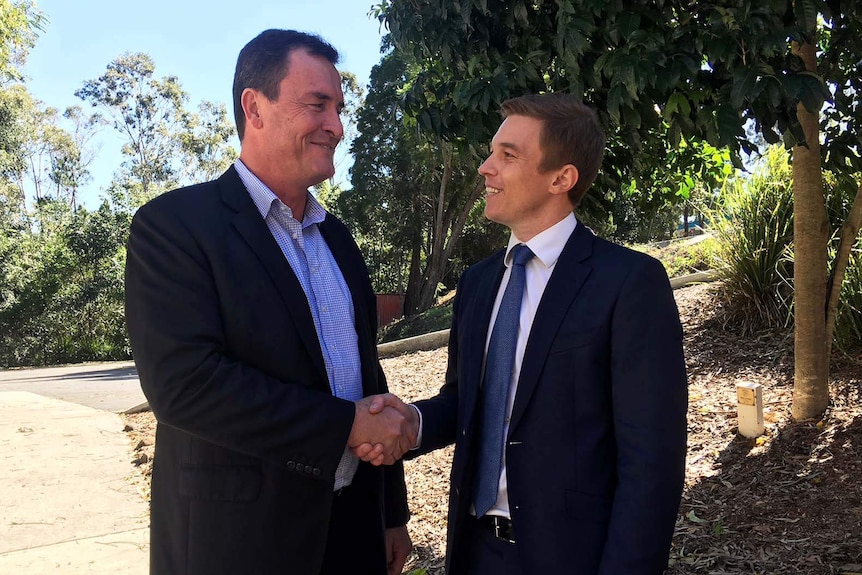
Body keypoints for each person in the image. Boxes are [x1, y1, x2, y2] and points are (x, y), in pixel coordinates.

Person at [358, 93, 688, 574]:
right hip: (475, 552)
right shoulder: (477, 283)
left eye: (508, 155)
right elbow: (466, 401)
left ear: (561, 178)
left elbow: (651, 463)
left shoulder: (629, 283)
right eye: (492, 152)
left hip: (573, 557)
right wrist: (412, 423)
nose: (485, 168)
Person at [125, 29, 415, 575]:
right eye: (318, 105)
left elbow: (368, 381)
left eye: (339, 108)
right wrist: (343, 428)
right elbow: (186, 385)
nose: (337, 126)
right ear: (254, 107)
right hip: (239, 544)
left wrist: (390, 512)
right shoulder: (175, 228)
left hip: (352, 532)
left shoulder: (340, 241)